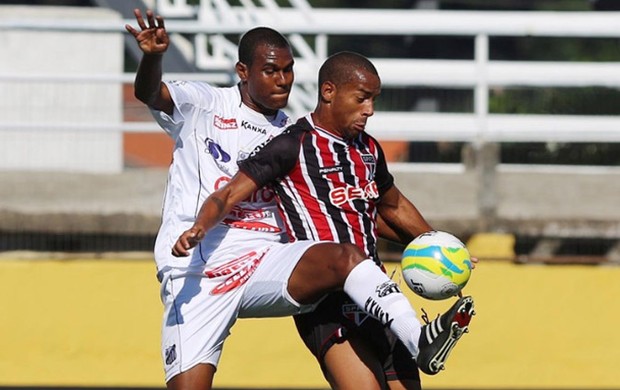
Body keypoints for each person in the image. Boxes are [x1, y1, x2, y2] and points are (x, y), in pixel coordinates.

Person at [174, 51, 476, 389]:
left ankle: (418, 339)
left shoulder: (368, 149)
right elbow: (228, 194)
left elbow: (390, 206)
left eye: (374, 100)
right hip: (329, 304)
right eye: (362, 98)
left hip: (380, 297)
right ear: (329, 92)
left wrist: (440, 247)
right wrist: (200, 226)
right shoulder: (290, 145)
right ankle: (419, 337)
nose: (370, 110)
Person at [125, 9, 298, 390]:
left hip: (261, 262)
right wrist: (153, 57)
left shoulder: (292, 134)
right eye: (272, 71)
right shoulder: (204, 103)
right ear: (242, 71)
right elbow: (150, 93)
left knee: (341, 268)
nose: (283, 80)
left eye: (288, 70)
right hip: (195, 272)